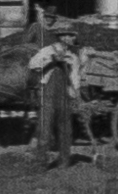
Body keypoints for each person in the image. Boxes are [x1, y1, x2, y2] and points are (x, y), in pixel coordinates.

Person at [28, 20, 80, 168]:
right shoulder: (48, 50)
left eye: (72, 36)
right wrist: (51, 60)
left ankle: (64, 161)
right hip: (48, 93)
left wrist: (75, 94)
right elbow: (32, 65)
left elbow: (75, 78)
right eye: (67, 36)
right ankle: (40, 162)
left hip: (64, 95)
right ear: (61, 37)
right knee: (45, 127)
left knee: (65, 127)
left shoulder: (73, 57)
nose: (70, 39)